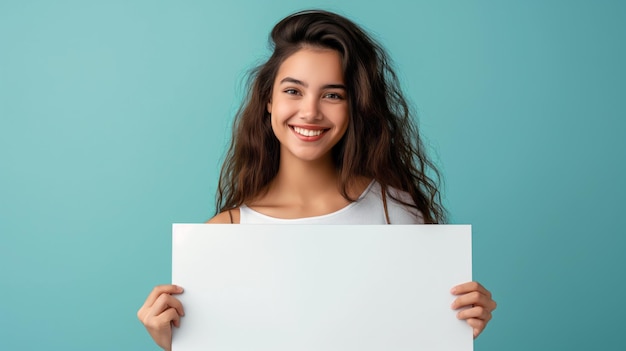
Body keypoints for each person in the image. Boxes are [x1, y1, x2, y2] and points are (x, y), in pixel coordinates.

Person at [137, 9, 497, 350]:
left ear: (354, 105)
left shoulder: (397, 212)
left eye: (332, 95)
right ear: (268, 100)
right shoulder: (222, 235)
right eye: (293, 90)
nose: (310, 111)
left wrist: (459, 322)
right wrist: (176, 344)